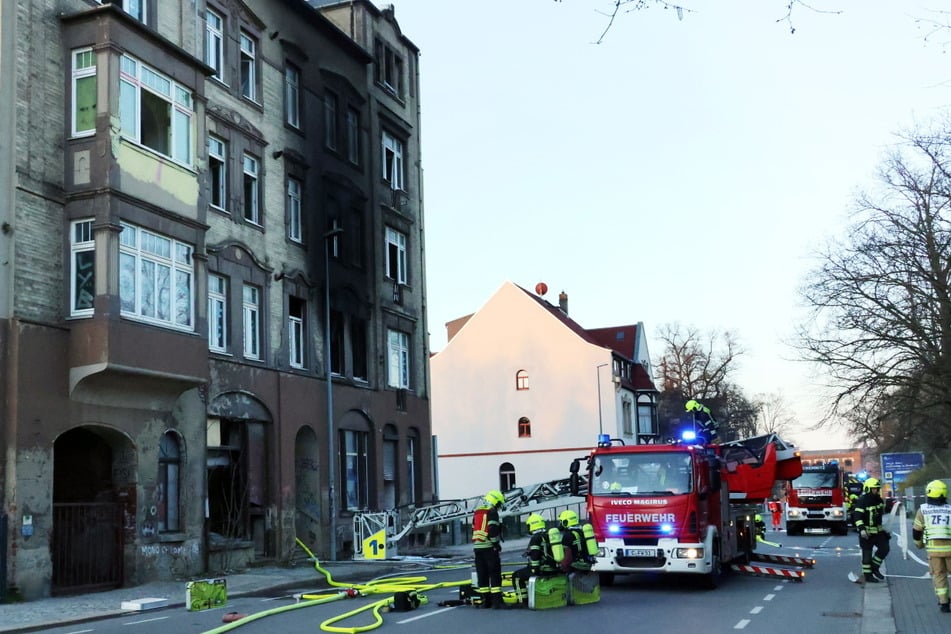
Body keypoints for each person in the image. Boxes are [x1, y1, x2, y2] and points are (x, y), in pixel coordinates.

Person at [912, 480, 951, 613]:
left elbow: (917, 530)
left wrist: (918, 544)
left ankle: (944, 603)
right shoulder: (950, 509)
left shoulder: (923, 510)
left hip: (934, 551)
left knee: (939, 576)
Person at [512, 513, 558, 602]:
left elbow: (535, 556)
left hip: (543, 569)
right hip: (553, 567)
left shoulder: (536, 538)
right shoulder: (548, 535)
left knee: (516, 576)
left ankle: (522, 601)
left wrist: (534, 570)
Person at [852, 477, 890, 583]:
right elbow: (857, 516)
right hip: (866, 533)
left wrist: (893, 505)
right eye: (873, 489)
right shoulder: (862, 501)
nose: (876, 491)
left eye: (877, 489)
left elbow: (883, 511)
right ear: (868, 489)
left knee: (885, 548)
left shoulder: (878, 500)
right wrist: (862, 529)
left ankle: (874, 567)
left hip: (878, 532)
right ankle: (868, 576)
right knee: (867, 555)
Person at [472, 489, 505, 608]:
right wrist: (496, 544)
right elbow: (492, 530)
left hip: (477, 547)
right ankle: (497, 602)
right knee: (494, 573)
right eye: (499, 503)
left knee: (482, 574)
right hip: (489, 547)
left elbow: (473, 527)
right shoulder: (492, 512)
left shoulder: (477, 511)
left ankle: (486, 601)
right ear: (495, 501)